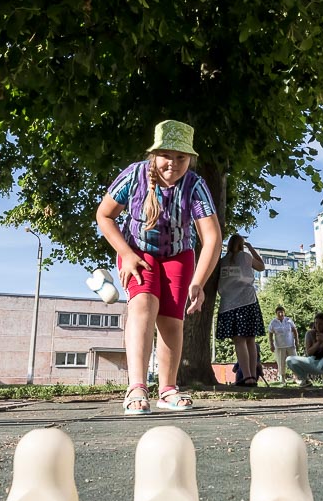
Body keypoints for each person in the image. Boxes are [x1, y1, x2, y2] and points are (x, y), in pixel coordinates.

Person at [95, 120, 222, 415]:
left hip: (179, 254)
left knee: (171, 320)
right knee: (143, 305)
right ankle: (136, 386)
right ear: (155, 154)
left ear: (190, 158)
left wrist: (198, 282)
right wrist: (125, 254)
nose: (173, 164)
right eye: (167, 155)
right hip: (138, 251)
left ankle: (167, 389)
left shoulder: (195, 185)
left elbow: (212, 237)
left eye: (181, 158)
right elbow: (104, 216)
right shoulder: (135, 175)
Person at [216, 234, 266, 386]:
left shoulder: (222, 261)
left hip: (229, 303)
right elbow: (262, 266)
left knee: (239, 341)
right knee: (250, 340)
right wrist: (251, 249)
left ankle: (246, 376)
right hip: (248, 301)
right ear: (242, 245)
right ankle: (252, 377)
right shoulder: (245, 257)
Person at [286, 312, 323, 388]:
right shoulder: (310, 334)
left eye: (320, 324)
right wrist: (318, 342)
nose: (318, 326)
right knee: (289, 359)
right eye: (316, 323)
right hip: (311, 360)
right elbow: (309, 353)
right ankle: (304, 379)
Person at [267, 306, 299, 386]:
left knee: (294, 361)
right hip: (279, 346)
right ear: (276, 314)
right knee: (281, 362)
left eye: (282, 312)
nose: (281, 314)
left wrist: (297, 342)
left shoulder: (288, 320)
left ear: (284, 313)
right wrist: (271, 344)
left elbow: (295, 331)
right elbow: (270, 334)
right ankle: (283, 379)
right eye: (279, 313)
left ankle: (296, 378)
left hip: (290, 344)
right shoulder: (273, 322)